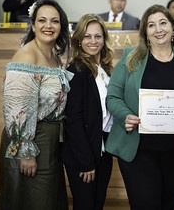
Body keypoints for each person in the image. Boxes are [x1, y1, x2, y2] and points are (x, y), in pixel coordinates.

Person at [105, 4, 174, 209]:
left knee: (168, 205)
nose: (158, 29)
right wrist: (126, 116)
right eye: (151, 25)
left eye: (163, 23)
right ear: (145, 32)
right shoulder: (130, 57)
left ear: (173, 27)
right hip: (138, 151)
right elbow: (113, 96)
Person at [0, 0, 72, 210]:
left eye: (54, 21)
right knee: (31, 201)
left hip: (50, 142)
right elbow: (16, 106)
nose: (48, 26)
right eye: (42, 20)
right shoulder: (26, 55)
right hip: (30, 140)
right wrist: (25, 151)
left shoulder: (54, 56)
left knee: (49, 201)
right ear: (33, 25)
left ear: (61, 26)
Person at [61, 14, 114, 210]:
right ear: (79, 40)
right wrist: (86, 162)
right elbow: (73, 120)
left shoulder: (105, 69)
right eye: (87, 36)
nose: (93, 41)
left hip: (102, 150)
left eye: (98, 36)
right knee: (85, 205)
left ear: (104, 38)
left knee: (97, 204)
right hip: (83, 155)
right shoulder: (76, 70)